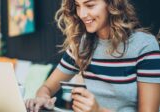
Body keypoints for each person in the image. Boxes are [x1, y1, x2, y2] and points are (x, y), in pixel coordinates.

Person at [25, 0, 160, 112]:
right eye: (78, 5)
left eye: (90, 5)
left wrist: (98, 110)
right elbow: (46, 88)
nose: (82, 14)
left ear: (112, 4)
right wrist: (43, 97)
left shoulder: (144, 46)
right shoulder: (81, 46)